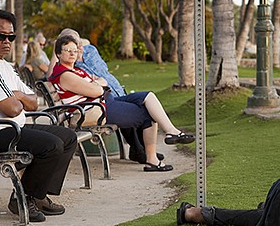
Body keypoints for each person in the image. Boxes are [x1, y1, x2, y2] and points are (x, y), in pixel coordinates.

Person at [0, 10, 78, 223]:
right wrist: (16, 98)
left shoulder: (4, 65)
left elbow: (33, 101)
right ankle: (22, 198)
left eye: (11, 37)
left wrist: (16, 95)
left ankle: (38, 195)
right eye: (1, 36)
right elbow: (13, 109)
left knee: (67, 138)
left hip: (10, 129)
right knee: (51, 145)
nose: (7, 42)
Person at [48, 34, 195, 172]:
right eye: (68, 50)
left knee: (148, 96)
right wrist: (97, 84)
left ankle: (172, 131)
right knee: (147, 114)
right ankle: (152, 160)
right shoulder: (65, 75)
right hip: (97, 108)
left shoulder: (75, 71)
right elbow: (97, 91)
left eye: (75, 50)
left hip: (105, 101)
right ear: (59, 54)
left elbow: (101, 82)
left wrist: (97, 84)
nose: (73, 53)